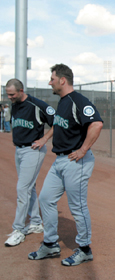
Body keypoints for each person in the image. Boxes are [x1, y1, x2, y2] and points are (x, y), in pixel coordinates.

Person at [28, 64, 103, 266]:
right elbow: (58, 124)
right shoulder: (62, 102)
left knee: (77, 207)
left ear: (62, 80)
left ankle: (85, 249)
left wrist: (83, 149)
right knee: (45, 199)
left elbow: (96, 123)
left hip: (75, 161)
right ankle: (51, 243)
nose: (49, 81)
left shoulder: (78, 101)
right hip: (60, 160)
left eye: (52, 78)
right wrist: (45, 139)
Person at [4, 79, 55, 247]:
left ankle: (18, 229)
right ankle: (35, 222)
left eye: (12, 94)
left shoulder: (36, 105)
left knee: (22, 188)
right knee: (29, 187)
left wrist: (44, 139)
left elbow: (57, 122)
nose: (9, 97)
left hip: (33, 150)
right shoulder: (14, 105)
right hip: (20, 150)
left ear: (21, 90)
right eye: (8, 94)